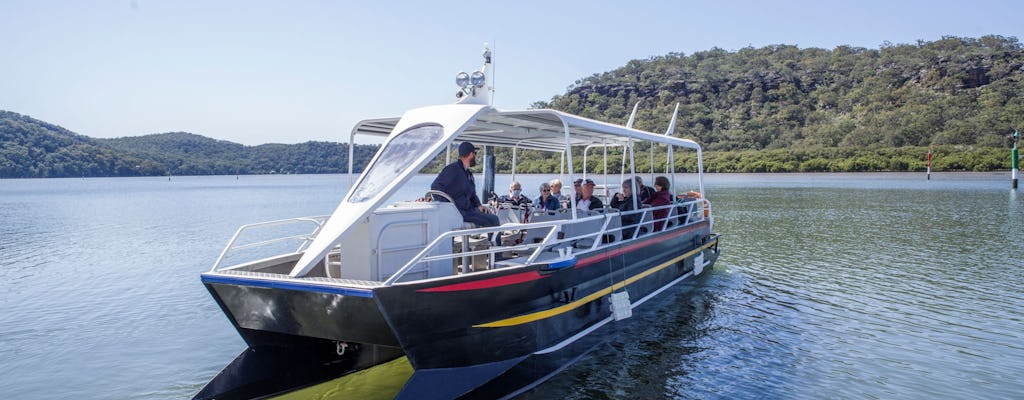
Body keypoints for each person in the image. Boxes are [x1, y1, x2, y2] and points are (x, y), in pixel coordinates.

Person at [430, 141, 499, 228]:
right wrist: (449, 207)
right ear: (471, 154)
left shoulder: (468, 174)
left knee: (489, 214)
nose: (475, 156)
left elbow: (472, 195)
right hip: (460, 212)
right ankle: (494, 242)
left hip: (468, 210)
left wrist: (479, 205)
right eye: (475, 153)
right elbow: (435, 187)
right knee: (494, 220)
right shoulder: (453, 169)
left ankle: (490, 241)